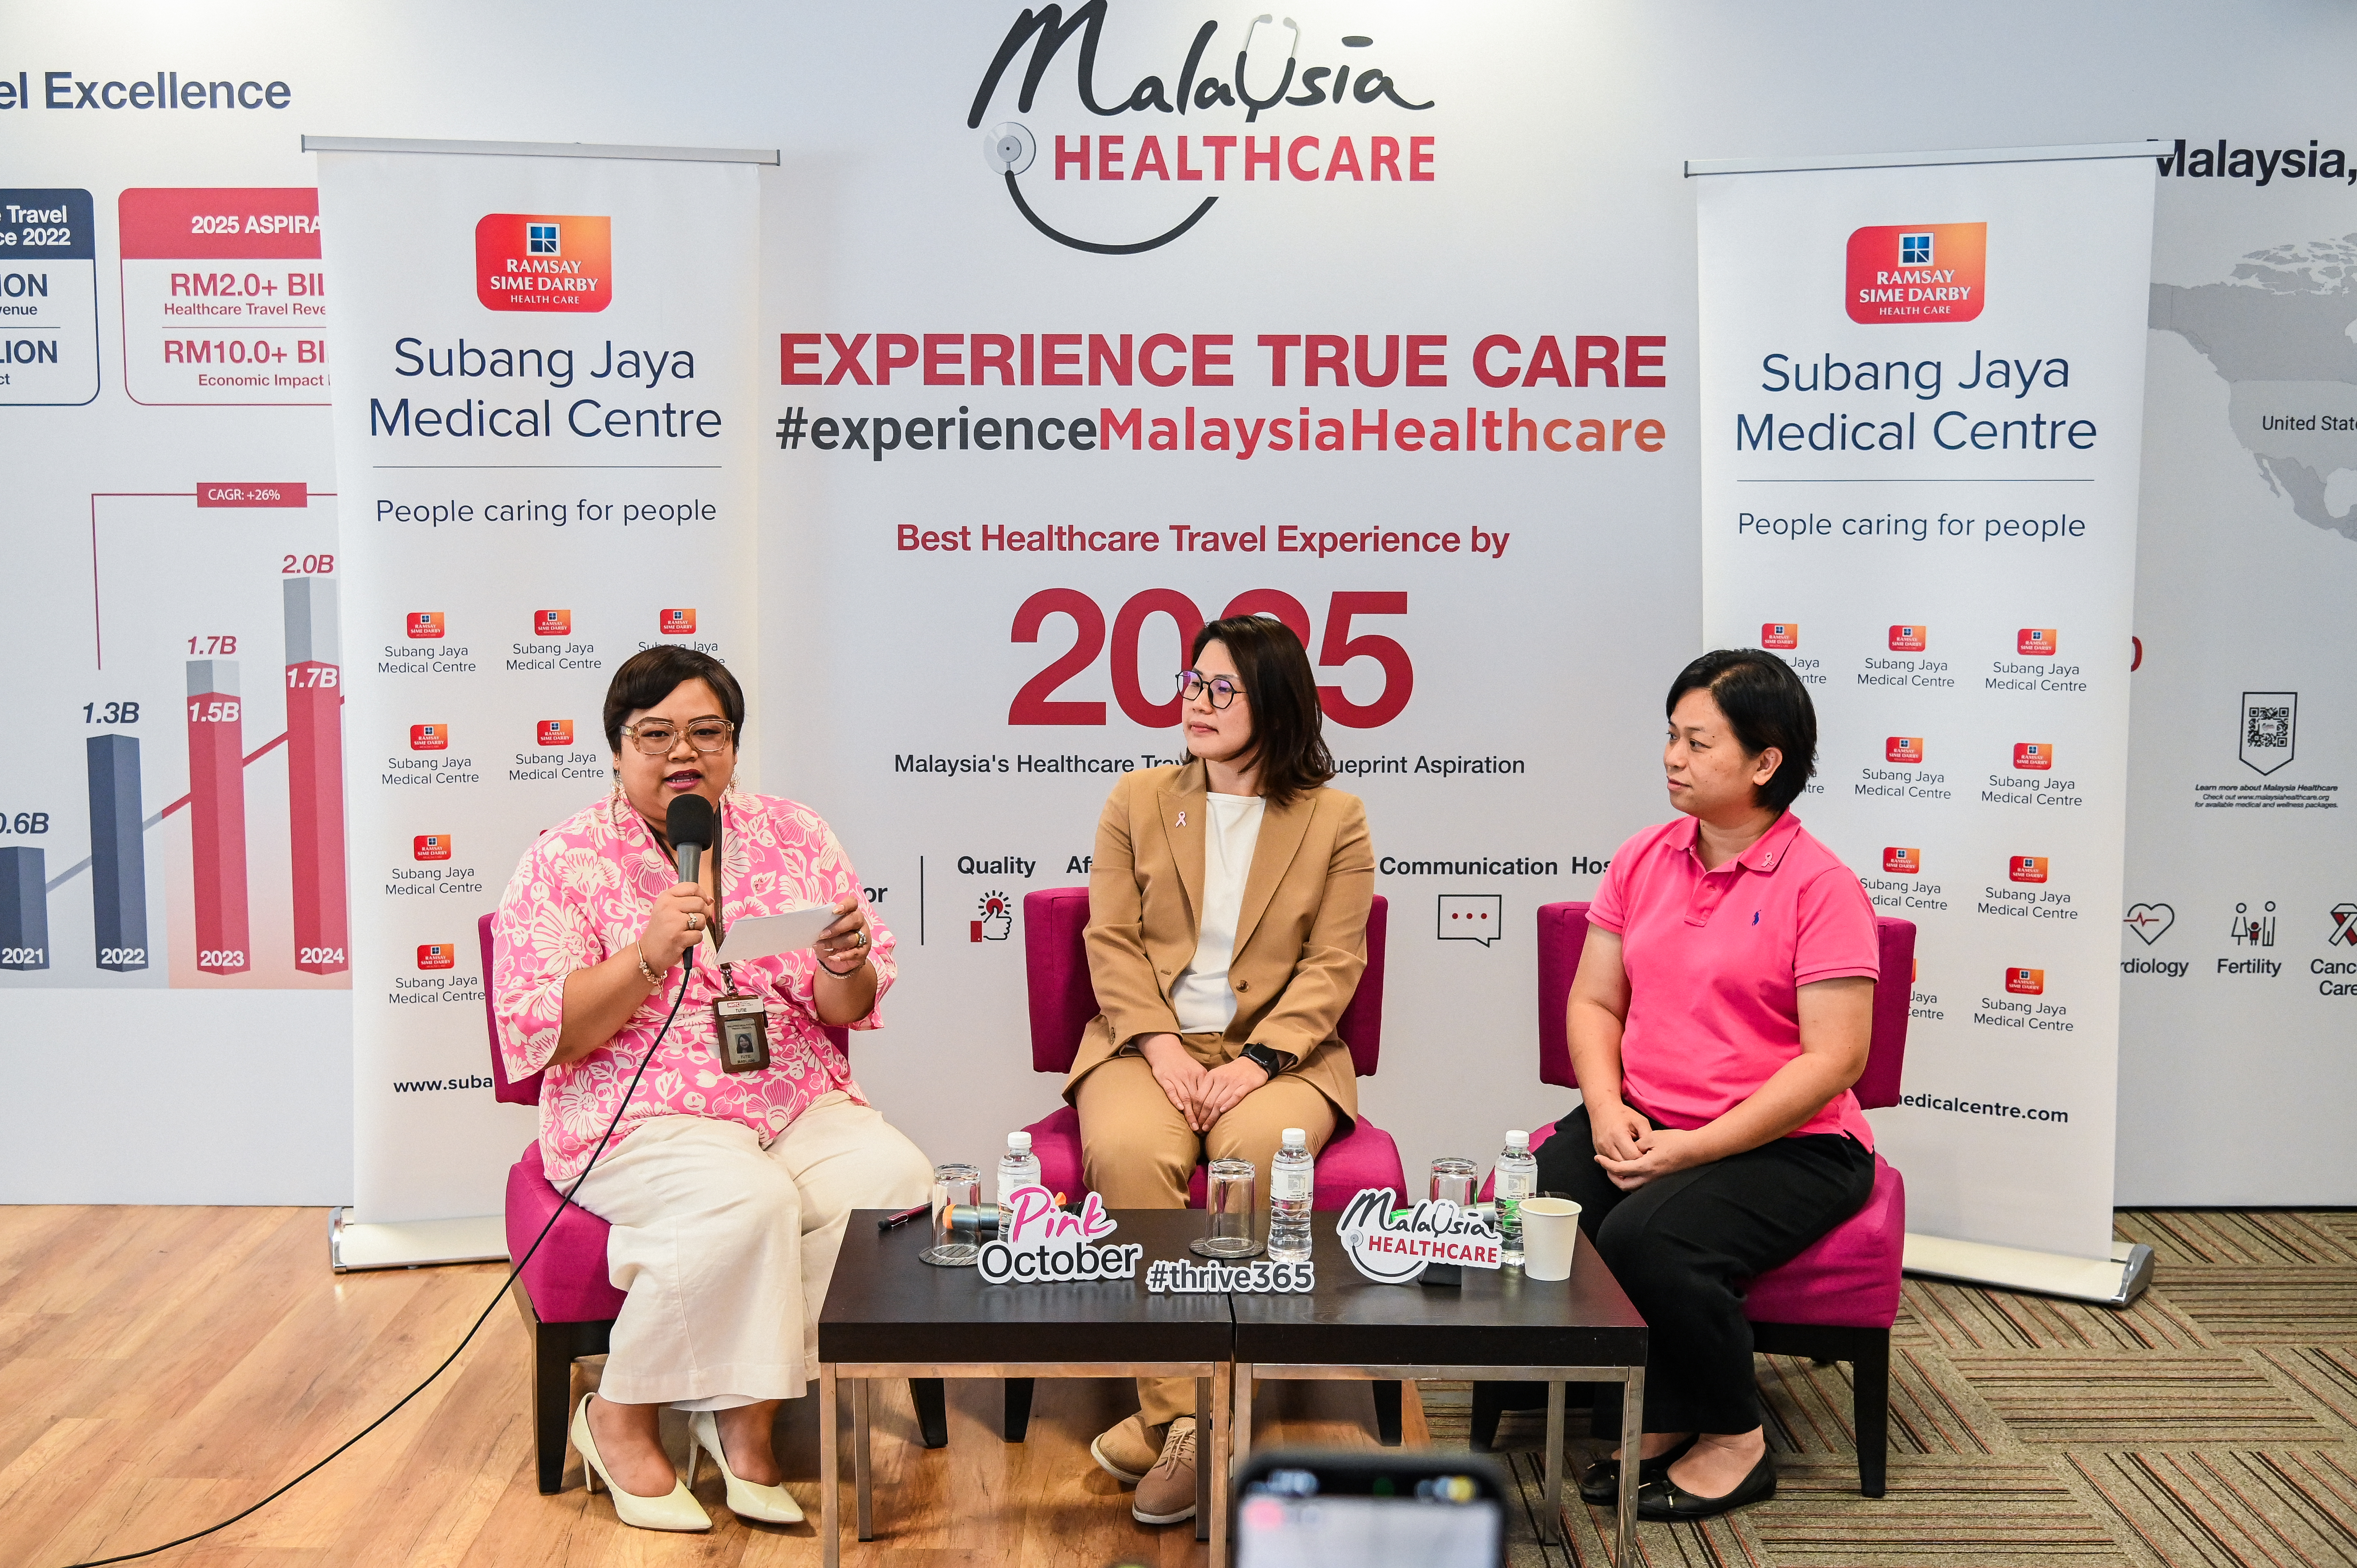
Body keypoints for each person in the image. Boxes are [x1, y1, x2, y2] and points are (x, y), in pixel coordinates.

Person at [491, 646, 930, 1533]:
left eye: (706, 733)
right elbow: (546, 1032)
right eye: (655, 734)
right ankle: (617, 1413)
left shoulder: (796, 834)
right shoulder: (562, 860)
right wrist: (646, 954)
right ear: (616, 749)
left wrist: (841, 966)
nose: (682, 753)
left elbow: (845, 1001)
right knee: (747, 1199)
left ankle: (743, 1411)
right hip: (638, 1107)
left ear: (733, 745)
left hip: (793, 1095)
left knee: (893, 1188)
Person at [1532, 649, 1878, 1522]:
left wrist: (1692, 1148)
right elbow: (1594, 999)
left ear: (1766, 763)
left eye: (1696, 741)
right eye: (1670, 736)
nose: (1671, 757)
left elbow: (1832, 1061)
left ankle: (1734, 1434)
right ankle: (1665, 1407)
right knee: (1552, 1198)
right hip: (1650, 1111)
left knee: (1655, 1237)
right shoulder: (1643, 856)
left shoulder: (1822, 887)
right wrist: (1607, 1109)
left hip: (1792, 1142)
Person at [1069, 614, 1374, 1525]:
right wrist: (1161, 1046)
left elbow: (1334, 963)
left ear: (1274, 703)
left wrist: (1257, 1060)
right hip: (1143, 1042)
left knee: (1252, 1155)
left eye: (1219, 689)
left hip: (1280, 1051)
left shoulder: (1335, 817)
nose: (1194, 703)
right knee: (1128, 1152)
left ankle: (1198, 1410)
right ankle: (1192, 1418)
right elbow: (1111, 941)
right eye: (1190, 683)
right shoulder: (1136, 798)